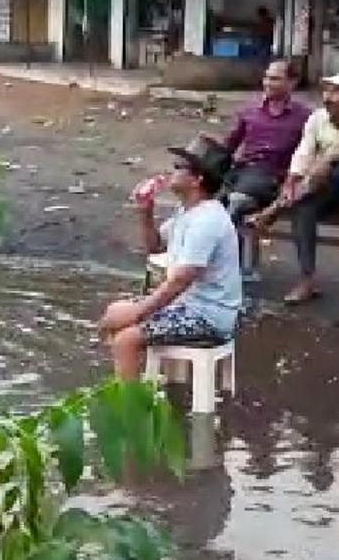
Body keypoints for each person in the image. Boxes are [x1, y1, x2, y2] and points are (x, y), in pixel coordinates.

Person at [99, 136, 244, 379]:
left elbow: (180, 281)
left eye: (179, 167)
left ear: (197, 179)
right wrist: (146, 212)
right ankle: (136, 388)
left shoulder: (207, 220)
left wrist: (139, 312)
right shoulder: (186, 212)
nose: (172, 171)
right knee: (115, 313)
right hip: (187, 306)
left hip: (208, 317)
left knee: (126, 338)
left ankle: (129, 410)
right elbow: (155, 249)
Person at [247, 73, 339, 304]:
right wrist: (291, 179)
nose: (327, 98)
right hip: (316, 190)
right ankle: (307, 280)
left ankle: (273, 210)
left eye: (334, 93)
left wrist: (328, 159)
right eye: (326, 92)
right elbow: (304, 151)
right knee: (304, 207)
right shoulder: (318, 118)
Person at [218, 59, 310, 221]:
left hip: (274, 177)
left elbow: (308, 154)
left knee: (236, 203)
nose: (268, 83)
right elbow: (230, 144)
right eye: (266, 78)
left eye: (275, 79)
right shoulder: (249, 110)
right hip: (243, 172)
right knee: (206, 200)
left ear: (292, 82)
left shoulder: (304, 116)